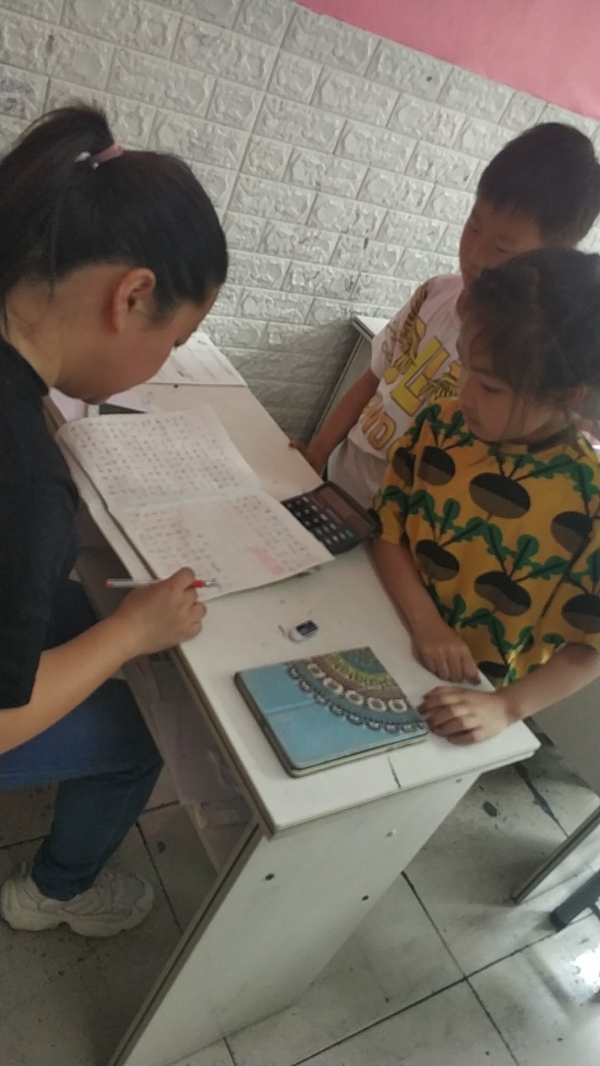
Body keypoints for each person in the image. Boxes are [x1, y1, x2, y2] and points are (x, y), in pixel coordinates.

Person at [0, 106, 228, 936]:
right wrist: (132, 632)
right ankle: (54, 894)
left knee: (82, 611)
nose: (164, 362)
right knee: (144, 728)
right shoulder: (27, 479)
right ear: (132, 295)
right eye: (177, 338)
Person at [293, 124, 600, 508]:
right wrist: (320, 450)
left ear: (554, 256)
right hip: (342, 480)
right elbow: (374, 376)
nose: (474, 255)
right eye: (473, 226)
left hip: (408, 519)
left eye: (502, 248)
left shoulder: (530, 355)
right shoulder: (433, 294)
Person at [371, 248, 600, 745]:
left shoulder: (591, 501)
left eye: (491, 387)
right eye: (465, 367)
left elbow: (589, 647)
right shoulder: (439, 426)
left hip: (471, 693)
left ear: (566, 396)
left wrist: (506, 707)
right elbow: (387, 533)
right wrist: (427, 625)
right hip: (384, 622)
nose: (465, 393)